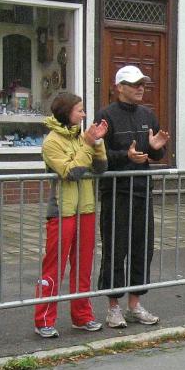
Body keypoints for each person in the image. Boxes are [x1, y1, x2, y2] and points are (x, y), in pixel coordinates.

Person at [95, 65, 169, 328]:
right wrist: (125, 156)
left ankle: (135, 305)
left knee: (142, 249)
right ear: (120, 87)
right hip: (116, 193)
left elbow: (155, 153)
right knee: (115, 249)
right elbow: (98, 156)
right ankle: (113, 307)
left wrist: (156, 148)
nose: (140, 88)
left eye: (143, 84)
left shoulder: (147, 114)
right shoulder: (106, 115)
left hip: (142, 191)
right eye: (135, 84)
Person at [34, 93, 109, 338]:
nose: (84, 114)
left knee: (83, 267)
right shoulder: (51, 142)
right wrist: (88, 145)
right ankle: (44, 320)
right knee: (53, 268)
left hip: (85, 209)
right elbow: (71, 172)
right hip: (62, 211)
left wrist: (98, 143)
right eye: (80, 110)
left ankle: (82, 316)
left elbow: (100, 168)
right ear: (67, 113)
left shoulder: (82, 136)